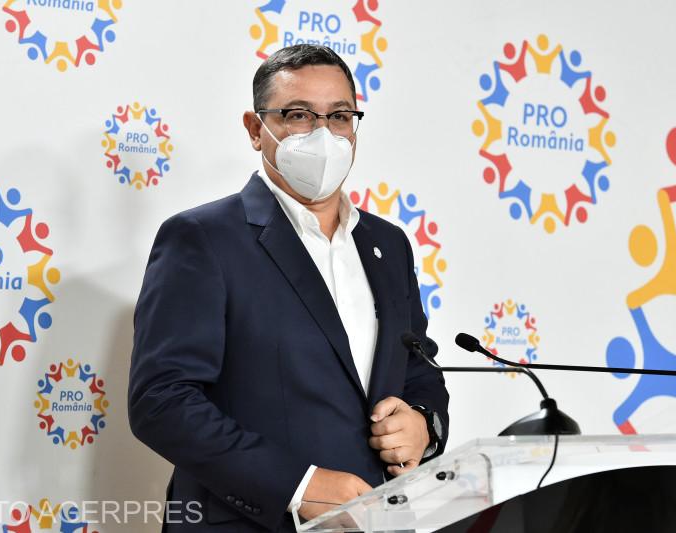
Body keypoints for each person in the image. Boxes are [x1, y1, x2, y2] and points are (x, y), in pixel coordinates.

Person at [128, 44, 450, 532]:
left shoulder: (388, 244)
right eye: (299, 115)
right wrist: (298, 486)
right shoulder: (203, 237)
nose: (324, 134)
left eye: (339, 116)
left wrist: (423, 424)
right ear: (256, 129)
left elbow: (418, 369)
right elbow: (162, 401)